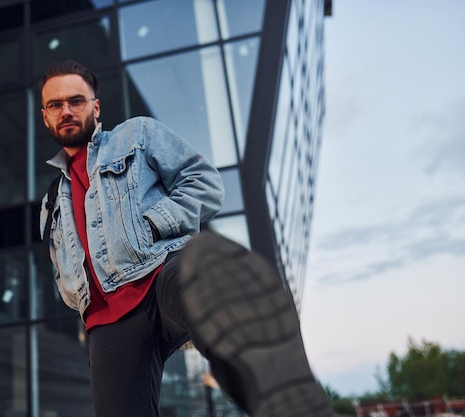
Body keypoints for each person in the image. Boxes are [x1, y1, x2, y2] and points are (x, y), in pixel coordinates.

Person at [39, 60, 333, 417]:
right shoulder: (52, 199)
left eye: (76, 101)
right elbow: (60, 265)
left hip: (161, 274)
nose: (66, 111)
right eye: (55, 105)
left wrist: (151, 225)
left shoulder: (137, 135)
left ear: (95, 107)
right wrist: (75, 295)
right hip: (107, 322)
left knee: (210, 286)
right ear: (45, 116)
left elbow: (205, 183)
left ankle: (279, 401)